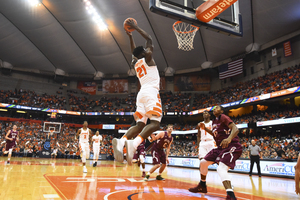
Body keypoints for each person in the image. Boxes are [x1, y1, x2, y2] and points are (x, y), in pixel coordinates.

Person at [113, 19, 162, 165]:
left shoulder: (135, 63)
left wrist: (130, 36)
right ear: (144, 52)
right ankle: (133, 145)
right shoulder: (148, 59)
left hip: (140, 95)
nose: (148, 50)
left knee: (140, 125)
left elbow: (133, 52)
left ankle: (122, 142)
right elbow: (149, 39)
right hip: (151, 92)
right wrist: (136, 27)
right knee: (155, 124)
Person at [188, 105, 242, 200]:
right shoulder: (214, 121)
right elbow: (214, 134)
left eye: (217, 108)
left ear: (221, 111)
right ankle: (202, 185)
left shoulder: (223, 117)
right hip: (220, 148)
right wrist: (205, 129)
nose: (214, 109)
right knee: (203, 163)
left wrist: (229, 139)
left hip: (231, 146)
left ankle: (231, 195)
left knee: (221, 169)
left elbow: (235, 129)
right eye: (214, 108)